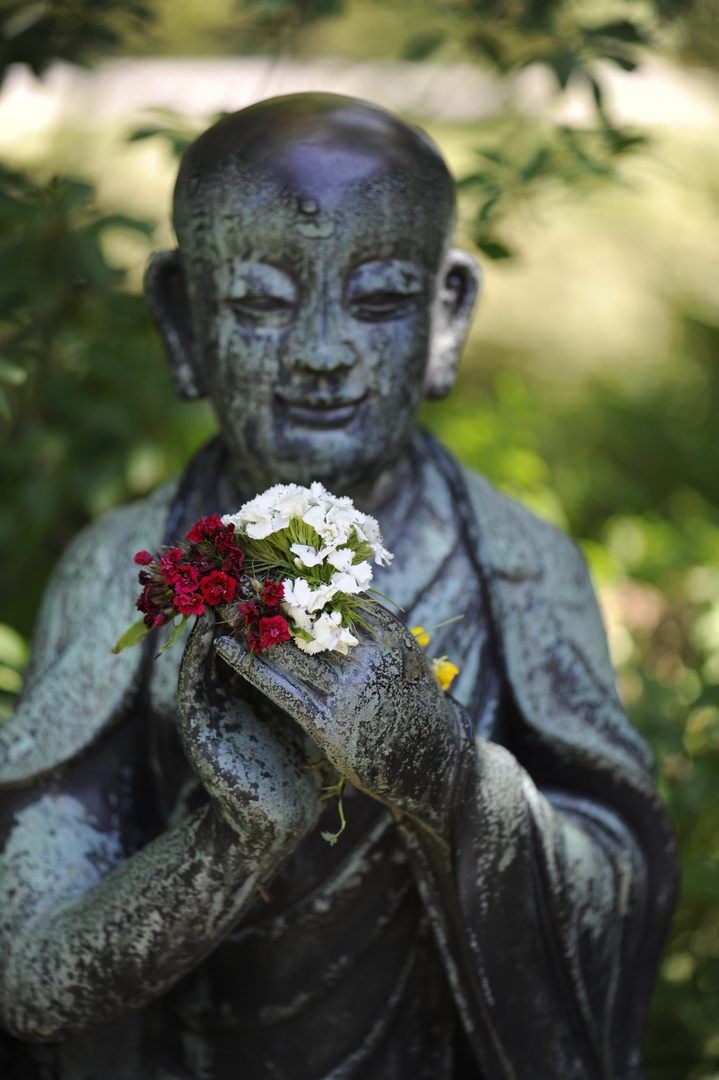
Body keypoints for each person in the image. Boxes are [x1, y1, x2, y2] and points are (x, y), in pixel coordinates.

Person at [0, 93, 677, 1080]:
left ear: (446, 318)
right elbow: (30, 976)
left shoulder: (516, 567)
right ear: (182, 320)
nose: (321, 353)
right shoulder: (127, 572)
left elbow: (614, 893)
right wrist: (228, 844)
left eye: (380, 300)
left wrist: (447, 780)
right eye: (262, 303)